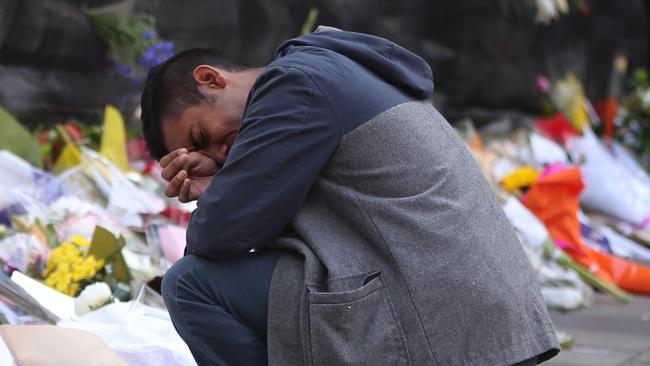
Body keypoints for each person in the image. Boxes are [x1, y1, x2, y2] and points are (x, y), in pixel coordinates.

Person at [141, 26, 560, 366]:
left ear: (210, 78)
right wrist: (223, 184)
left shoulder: (292, 87)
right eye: (203, 154)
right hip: (472, 307)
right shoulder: (322, 73)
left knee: (190, 284)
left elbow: (219, 234)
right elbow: (260, 220)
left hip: (441, 313)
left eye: (201, 135)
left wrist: (219, 194)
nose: (219, 153)